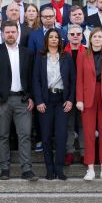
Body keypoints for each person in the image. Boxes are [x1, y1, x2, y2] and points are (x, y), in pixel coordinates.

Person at [0, 21, 37, 181]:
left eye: (13, 32)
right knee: (2, 135)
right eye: (7, 32)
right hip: (3, 100)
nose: (10, 34)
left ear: (18, 33)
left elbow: (32, 77)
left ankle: (27, 169)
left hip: (23, 99)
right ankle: (5, 169)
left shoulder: (27, 52)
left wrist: (32, 97)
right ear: (2, 33)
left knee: (25, 135)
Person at [76, 27, 102, 181]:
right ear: (90, 39)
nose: (97, 39)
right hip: (88, 97)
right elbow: (79, 79)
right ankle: (90, 169)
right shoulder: (82, 56)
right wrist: (79, 99)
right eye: (95, 37)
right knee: (88, 134)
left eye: (100, 37)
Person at [32, 29, 75, 180]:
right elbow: (35, 80)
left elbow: (72, 81)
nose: (54, 39)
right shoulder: (40, 56)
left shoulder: (66, 57)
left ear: (60, 40)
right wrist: (39, 101)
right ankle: (49, 169)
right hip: (46, 100)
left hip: (62, 100)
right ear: (46, 39)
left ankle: (59, 168)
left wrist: (70, 99)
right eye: (51, 37)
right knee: (46, 136)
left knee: (61, 136)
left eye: (56, 37)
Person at [63, 24, 87, 165]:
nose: (75, 36)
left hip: (84, 93)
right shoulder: (62, 52)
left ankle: (85, 153)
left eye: (78, 34)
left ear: (82, 36)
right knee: (69, 125)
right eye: (72, 34)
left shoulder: (88, 52)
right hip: (67, 94)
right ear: (67, 36)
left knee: (84, 125)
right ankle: (69, 152)